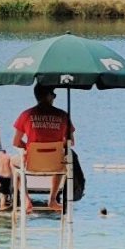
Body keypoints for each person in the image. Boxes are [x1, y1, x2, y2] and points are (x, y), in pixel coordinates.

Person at [13, 85, 75, 213]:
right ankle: (52, 199)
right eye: (53, 94)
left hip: (31, 164)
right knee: (61, 159)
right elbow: (71, 142)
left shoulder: (26, 114)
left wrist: (29, 148)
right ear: (47, 96)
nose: (54, 97)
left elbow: (16, 142)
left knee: (11, 162)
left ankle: (25, 198)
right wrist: (55, 147)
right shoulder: (63, 115)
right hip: (55, 165)